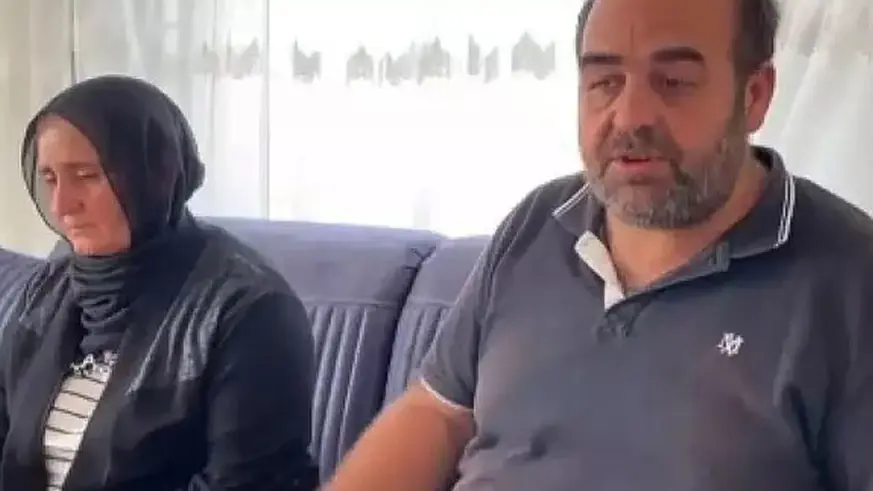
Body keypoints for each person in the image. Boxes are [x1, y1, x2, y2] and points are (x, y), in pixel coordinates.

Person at [325, 0, 873, 489]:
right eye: (605, 81)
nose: (629, 117)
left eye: (674, 81)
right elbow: (438, 412)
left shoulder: (849, 277)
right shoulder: (539, 222)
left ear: (754, 96)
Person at [0, 75, 319, 490]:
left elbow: (246, 484)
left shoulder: (251, 311)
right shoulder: (46, 292)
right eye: (50, 179)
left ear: (155, 175)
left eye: (87, 175)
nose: (62, 205)